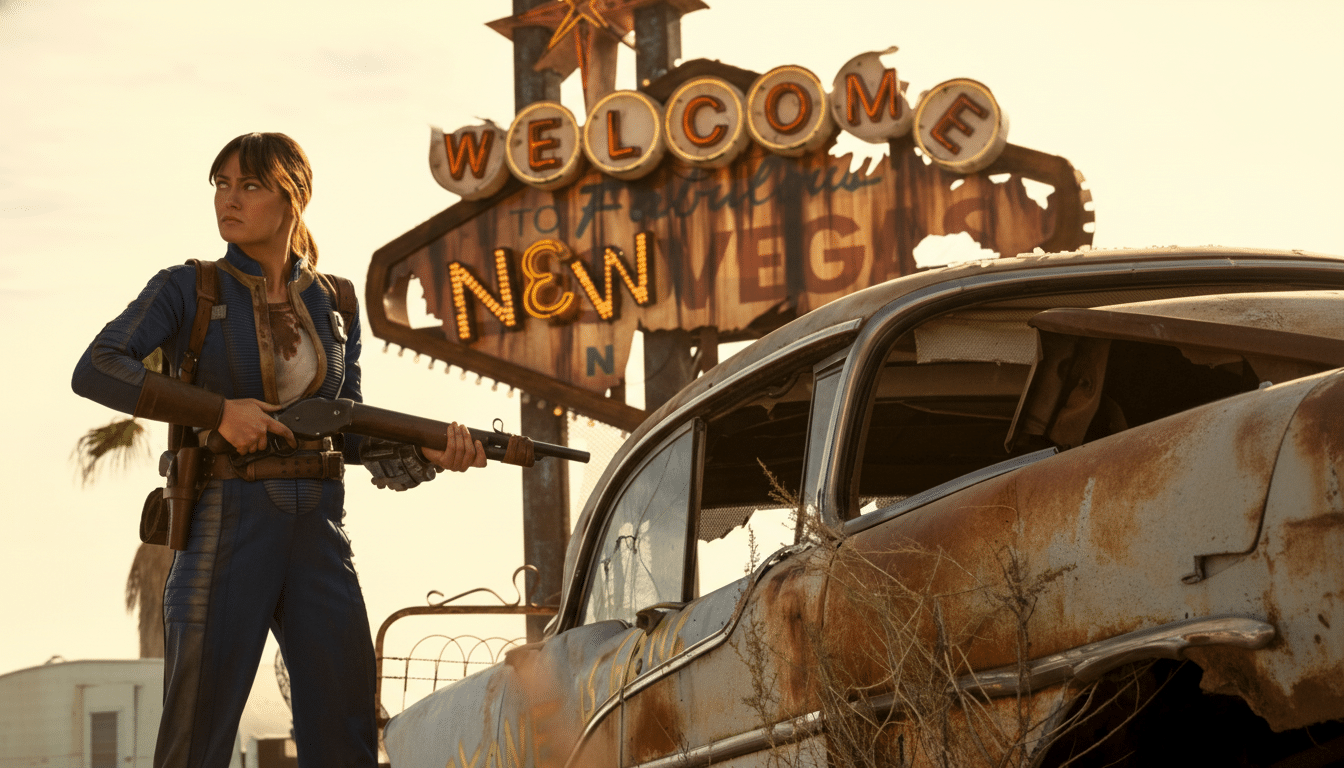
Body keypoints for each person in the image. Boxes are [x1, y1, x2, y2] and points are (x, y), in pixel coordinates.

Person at [71, 132, 483, 768]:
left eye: (250, 186)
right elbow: (96, 368)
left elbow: (349, 432)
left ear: (295, 197)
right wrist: (218, 412)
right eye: (222, 185)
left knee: (346, 737)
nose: (229, 201)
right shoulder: (188, 288)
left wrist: (428, 455)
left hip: (321, 530)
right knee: (194, 741)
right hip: (222, 524)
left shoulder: (336, 302)